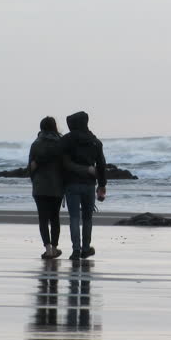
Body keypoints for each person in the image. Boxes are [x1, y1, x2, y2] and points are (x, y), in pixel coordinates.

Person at [29, 116, 92, 259]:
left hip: (40, 187)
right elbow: (65, 166)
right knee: (54, 218)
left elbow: (30, 168)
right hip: (57, 187)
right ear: (55, 127)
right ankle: (55, 247)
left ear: (41, 128)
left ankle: (48, 249)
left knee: (43, 219)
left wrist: (35, 182)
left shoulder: (36, 144)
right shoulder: (62, 143)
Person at [61, 111, 107, 260]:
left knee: (74, 217)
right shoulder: (95, 141)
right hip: (89, 184)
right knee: (87, 218)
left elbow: (63, 162)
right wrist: (102, 185)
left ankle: (76, 250)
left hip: (71, 183)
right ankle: (86, 249)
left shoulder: (67, 140)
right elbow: (101, 164)